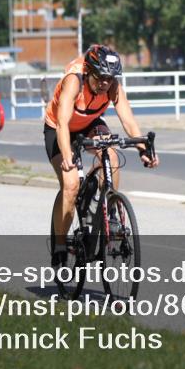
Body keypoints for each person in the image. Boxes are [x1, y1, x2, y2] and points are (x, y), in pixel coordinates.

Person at [44, 44, 158, 266]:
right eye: (101, 77)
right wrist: (67, 154)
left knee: (112, 155)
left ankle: (111, 211)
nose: (106, 82)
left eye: (110, 78)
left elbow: (127, 119)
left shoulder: (112, 85)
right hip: (59, 127)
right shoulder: (74, 80)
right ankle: (59, 244)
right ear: (89, 71)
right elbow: (63, 124)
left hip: (89, 123)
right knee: (70, 185)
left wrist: (143, 149)